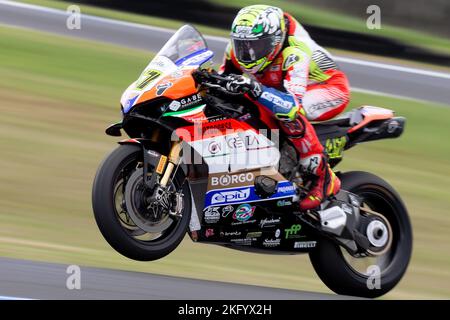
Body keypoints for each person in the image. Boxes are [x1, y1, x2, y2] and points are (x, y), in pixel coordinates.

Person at [218, 4, 350, 210]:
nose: (248, 54)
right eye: (243, 45)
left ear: (275, 42)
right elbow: (222, 81)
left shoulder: (295, 52)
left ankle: (323, 177)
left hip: (328, 88)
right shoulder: (235, 50)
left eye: (256, 46)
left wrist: (256, 89)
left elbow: (291, 105)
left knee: (286, 113)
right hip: (280, 86)